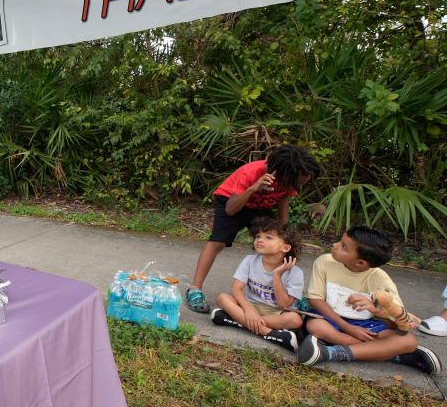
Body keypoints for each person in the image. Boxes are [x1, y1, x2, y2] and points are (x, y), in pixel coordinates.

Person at [185, 145, 321, 314]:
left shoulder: (292, 175)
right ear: (284, 173)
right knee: (217, 243)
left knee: (281, 245)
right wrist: (252, 188)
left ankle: (292, 296)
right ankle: (195, 289)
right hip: (232, 201)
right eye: (297, 183)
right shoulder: (251, 172)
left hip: (260, 207)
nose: (298, 186)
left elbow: (284, 198)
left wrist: (283, 228)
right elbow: (230, 210)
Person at [298, 227, 441, 375]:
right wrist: (347, 327)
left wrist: (376, 309)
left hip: (367, 325)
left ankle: (330, 352)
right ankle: (392, 354)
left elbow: (398, 321)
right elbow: (315, 299)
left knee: (409, 341)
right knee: (316, 326)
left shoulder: (380, 279)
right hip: (329, 318)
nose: (334, 245)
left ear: (360, 263)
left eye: (343, 247)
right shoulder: (325, 262)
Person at [209, 219, 304, 351]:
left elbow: (284, 304)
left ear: (286, 248)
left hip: (276, 312)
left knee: (295, 320)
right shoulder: (249, 260)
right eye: (258, 236)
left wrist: (277, 276)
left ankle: (235, 320)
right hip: (250, 305)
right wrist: (249, 310)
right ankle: (269, 333)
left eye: (268, 237)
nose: (259, 239)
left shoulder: (295, 273)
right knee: (222, 298)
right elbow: (237, 288)